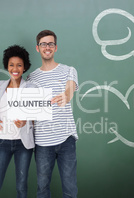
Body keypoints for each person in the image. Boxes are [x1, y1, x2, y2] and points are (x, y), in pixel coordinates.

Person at [0, 45, 36, 198]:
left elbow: (38, 115)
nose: (15, 68)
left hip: (24, 144)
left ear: (24, 68)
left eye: (19, 65)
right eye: (11, 65)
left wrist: (26, 120)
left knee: (22, 187)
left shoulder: (32, 88)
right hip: (3, 142)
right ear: (7, 66)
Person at [27, 30, 79, 198]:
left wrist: (66, 95)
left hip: (66, 140)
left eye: (50, 44)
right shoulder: (30, 78)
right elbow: (30, 110)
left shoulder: (69, 70)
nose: (47, 47)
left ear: (55, 48)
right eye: (43, 44)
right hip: (42, 143)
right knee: (42, 189)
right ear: (38, 48)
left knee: (70, 190)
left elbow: (70, 88)